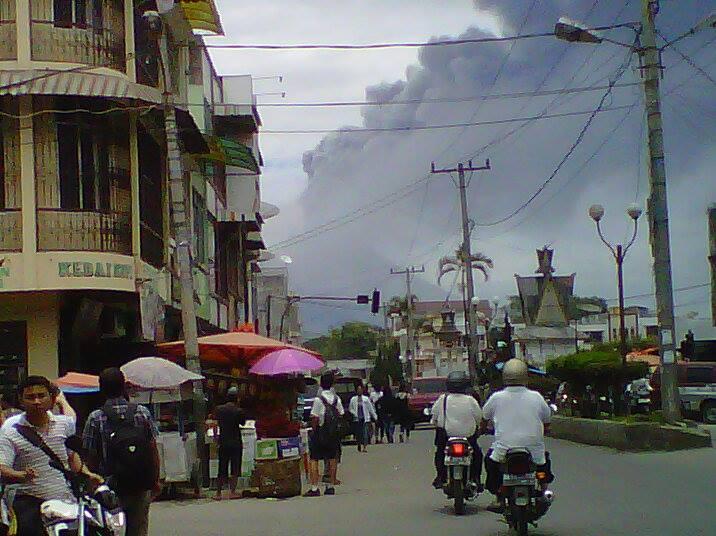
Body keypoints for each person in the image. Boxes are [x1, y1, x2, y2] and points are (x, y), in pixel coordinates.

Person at [0, 376, 102, 535]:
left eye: (41, 396)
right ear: (21, 401)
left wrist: (87, 474)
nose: (36, 401)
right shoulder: (9, 430)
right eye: (30, 397)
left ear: (52, 398)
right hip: (29, 502)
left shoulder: (65, 424)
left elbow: (70, 455)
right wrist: (21, 475)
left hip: (65, 500)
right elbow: (2, 467)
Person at [82, 368, 160, 536]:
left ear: (101, 389)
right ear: (124, 386)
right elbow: (153, 449)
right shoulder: (142, 412)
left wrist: (90, 483)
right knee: (138, 528)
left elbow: (91, 456)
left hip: (108, 485)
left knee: (109, 529)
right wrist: (154, 480)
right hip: (139, 483)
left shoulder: (95, 417)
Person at [481, 359, 553, 512]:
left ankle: (499, 496)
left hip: (504, 450)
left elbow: (484, 417)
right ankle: (545, 490)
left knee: (490, 462)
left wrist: (483, 429)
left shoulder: (496, 397)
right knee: (543, 464)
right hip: (533, 450)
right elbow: (547, 420)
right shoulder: (536, 397)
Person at [430, 371, 483, 490]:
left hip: (447, 437)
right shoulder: (470, 400)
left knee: (440, 454)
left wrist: (435, 423)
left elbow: (434, 416)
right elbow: (479, 417)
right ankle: (476, 479)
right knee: (477, 455)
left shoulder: (443, 399)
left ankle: (441, 477)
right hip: (468, 438)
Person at [305, 373, 344, 497]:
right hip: (332, 434)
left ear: (321, 384)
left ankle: (315, 487)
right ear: (332, 384)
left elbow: (314, 417)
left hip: (320, 432)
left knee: (314, 459)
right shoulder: (337, 399)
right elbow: (341, 414)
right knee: (332, 458)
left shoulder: (318, 400)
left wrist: (313, 430)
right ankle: (330, 486)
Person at [213, 386, 246, 500]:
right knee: (235, 467)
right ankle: (232, 491)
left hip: (223, 441)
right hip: (235, 442)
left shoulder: (219, 409)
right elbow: (243, 423)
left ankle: (218, 493)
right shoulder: (238, 410)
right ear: (237, 398)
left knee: (222, 467)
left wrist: (216, 438)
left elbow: (215, 425)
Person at [349, 384, 377, 453]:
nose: (359, 391)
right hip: (357, 419)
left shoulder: (366, 399)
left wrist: (375, 416)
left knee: (365, 433)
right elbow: (350, 408)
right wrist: (354, 413)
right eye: (358, 390)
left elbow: (370, 408)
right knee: (358, 434)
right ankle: (359, 444)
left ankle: (364, 447)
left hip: (365, 419)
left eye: (360, 389)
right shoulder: (353, 399)